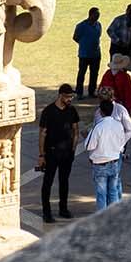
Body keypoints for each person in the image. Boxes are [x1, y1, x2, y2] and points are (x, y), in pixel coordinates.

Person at [37, 85, 80, 223]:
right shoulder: (48, 111)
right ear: (60, 95)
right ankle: (46, 212)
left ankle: (63, 208)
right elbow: (42, 134)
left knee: (64, 182)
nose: (70, 99)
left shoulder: (72, 110)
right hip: (51, 152)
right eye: (68, 97)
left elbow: (75, 130)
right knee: (48, 182)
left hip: (67, 153)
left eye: (71, 97)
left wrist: (73, 149)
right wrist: (42, 155)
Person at [83, 96, 131, 210]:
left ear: (100, 111)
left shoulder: (98, 126)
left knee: (101, 194)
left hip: (100, 164)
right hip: (115, 161)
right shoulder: (118, 125)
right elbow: (122, 141)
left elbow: (88, 145)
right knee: (113, 191)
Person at [72, 8, 103, 96]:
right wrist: (83, 44)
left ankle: (92, 91)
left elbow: (99, 35)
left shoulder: (98, 25)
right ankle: (79, 92)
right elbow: (75, 37)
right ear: (90, 14)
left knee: (94, 74)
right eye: (96, 15)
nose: (97, 17)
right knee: (82, 73)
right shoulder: (81, 26)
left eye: (98, 15)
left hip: (96, 54)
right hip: (84, 54)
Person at [107, 3, 131, 74]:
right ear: (127, 10)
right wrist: (118, 40)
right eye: (130, 10)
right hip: (116, 47)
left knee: (125, 66)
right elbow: (110, 30)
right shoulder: (119, 19)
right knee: (115, 67)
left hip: (127, 48)